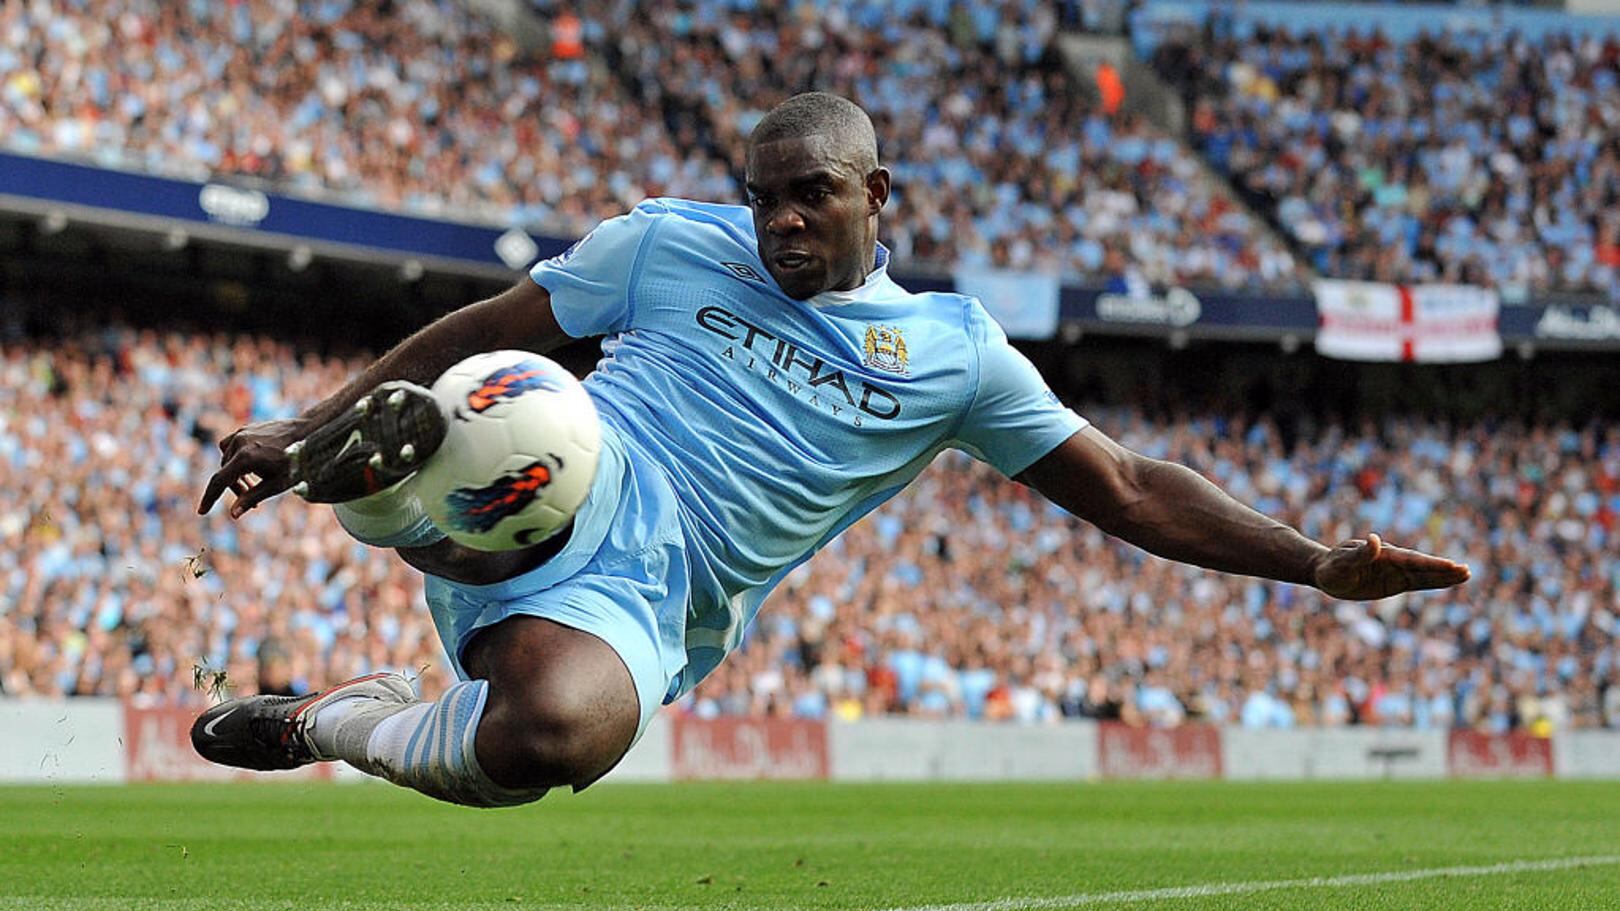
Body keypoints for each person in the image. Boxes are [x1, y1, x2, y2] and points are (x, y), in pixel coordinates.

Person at [190, 92, 1470, 807]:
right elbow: (497, 318)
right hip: (579, 464)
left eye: (813, 194)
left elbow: (1129, 486)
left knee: (548, 744)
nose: (783, 220)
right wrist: (307, 423)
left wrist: (1311, 562)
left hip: (657, 597)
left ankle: (337, 717)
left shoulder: (957, 354)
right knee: (521, 403)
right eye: (765, 197)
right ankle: (391, 491)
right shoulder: (665, 242)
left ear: (879, 196)